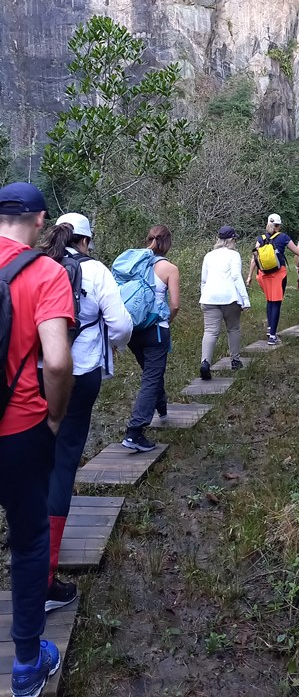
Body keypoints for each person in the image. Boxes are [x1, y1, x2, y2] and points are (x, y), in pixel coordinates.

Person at [0, 183, 74, 697]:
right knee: (28, 542)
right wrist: (54, 418)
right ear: (41, 221)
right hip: (20, 427)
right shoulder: (46, 273)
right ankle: (27, 663)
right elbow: (59, 360)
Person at [38, 213, 133, 611]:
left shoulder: (37, 264)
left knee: (34, 459)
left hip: (33, 376)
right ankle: (44, 579)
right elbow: (121, 324)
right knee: (62, 463)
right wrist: (109, 346)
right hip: (78, 377)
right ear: (87, 241)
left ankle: (26, 540)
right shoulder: (95, 271)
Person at [122, 225, 180, 452]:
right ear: (167, 243)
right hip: (156, 329)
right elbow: (174, 304)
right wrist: (167, 319)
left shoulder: (133, 262)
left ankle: (162, 407)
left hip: (132, 330)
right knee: (151, 377)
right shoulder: (169, 268)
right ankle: (135, 432)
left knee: (151, 372)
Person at [199, 225, 250, 380]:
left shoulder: (209, 256)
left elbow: (204, 280)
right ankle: (235, 360)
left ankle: (205, 362)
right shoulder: (233, 255)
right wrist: (245, 299)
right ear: (231, 240)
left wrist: (204, 295)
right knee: (233, 328)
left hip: (209, 298)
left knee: (210, 331)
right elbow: (235, 277)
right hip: (229, 298)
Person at [247, 213, 299, 344]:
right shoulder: (283, 237)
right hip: (279, 274)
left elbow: (254, 259)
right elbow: (298, 252)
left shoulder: (260, 238)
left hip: (263, 275)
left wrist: (249, 276)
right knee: (276, 303)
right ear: (279, 226)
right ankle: (273, 336)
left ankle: (269, 328)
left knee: (269, 301)